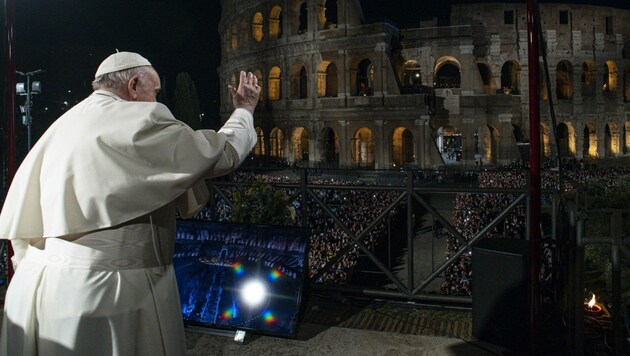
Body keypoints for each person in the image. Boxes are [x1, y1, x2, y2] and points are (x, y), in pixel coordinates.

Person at [0, 52, 260, 355]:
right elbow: (220, 153)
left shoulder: (60, 126)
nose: (156, 99)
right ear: (134, 85)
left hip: (35, 288)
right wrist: (244, 110)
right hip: (111, 293)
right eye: (155, 91)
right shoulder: (142, 118)